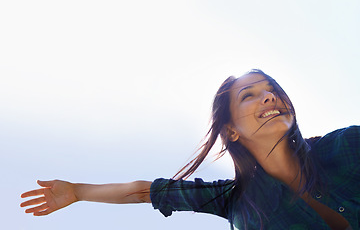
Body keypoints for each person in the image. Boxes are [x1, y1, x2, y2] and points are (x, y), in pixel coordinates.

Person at [20, 70, 359, 230]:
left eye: (272, 90)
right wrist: (78, 192)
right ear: (231, 131)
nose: (268, 97)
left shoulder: (346, 147)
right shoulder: (234, 200)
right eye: (249, 95)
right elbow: (144, 192)